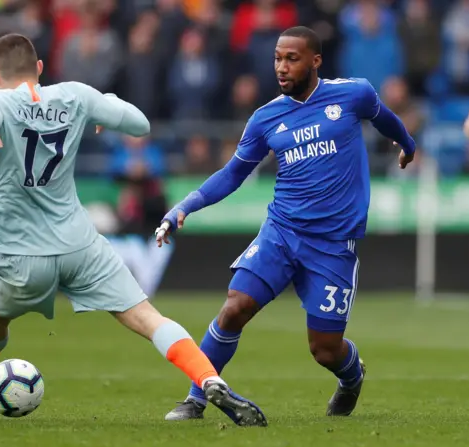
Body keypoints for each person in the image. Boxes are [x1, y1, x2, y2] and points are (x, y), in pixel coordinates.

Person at [0, 33, 266, 427]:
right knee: (146, 317)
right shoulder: (76, 95)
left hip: (20, 253)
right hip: (79, 245)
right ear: (39, 68)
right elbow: (138, 124)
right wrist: (105, 108)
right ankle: (208, 377)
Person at [155, 26, 416, 421]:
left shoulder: (353, 94)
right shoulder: (265, 118)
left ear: (315, 61)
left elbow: (386, 120)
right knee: (234, 307)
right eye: (277, 58)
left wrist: (408, 146)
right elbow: (232, 173)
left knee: (325, 350)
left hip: (332, 244)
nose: (281, 66)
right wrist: (185, 206)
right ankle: (196, 398)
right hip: (281, 232)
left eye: (291, 58)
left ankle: (351, 378)